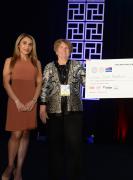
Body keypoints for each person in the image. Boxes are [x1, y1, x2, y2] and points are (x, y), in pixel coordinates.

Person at [39, 39, 86, 180]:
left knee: (74, 147)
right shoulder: (48, 67)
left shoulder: (77, 66)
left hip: (74, 112)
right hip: (54, 112)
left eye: (67, 48)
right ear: (56, 50)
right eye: (61, 47)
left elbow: (86, 82)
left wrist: (94, 69)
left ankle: (73, 176)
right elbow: (44, 88)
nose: (64, 50)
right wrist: (42, 108)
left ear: (70, 51)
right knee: (55, 148)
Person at [2, 33, 42, 180]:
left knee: (26, 133)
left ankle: (19, 169)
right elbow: (6, 83)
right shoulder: (9, 61)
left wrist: (33, 100)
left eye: (30, 44)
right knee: (16, 134)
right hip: (15, 100)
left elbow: (39, 84)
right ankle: (10, 165)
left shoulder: (36, 63)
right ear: (18, 45)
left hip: (31, 101)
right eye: (24, 43)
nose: (27, 46)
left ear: (32, 47)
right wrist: (17, 101)